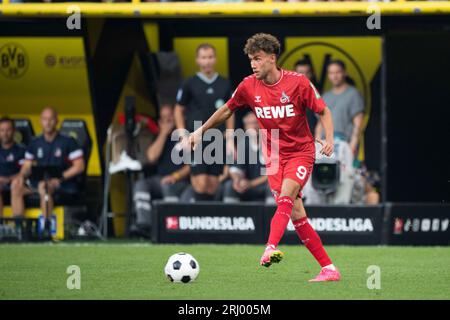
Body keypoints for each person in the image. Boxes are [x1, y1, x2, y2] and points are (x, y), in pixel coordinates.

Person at [182, 33, 340, 282]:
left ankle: (270, 247)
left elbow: (324, 110)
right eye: (250, 60)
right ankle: (329, 268)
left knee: (286, 198)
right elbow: (226, 110)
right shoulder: (248, 85)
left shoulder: (298, 83)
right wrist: (200, 131)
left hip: (301, 152)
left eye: (257, 59)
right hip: (274, 157)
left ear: (272, 58)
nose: (253, 64)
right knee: (297, 215)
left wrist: (329, 140)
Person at [174, 43, 235, 201]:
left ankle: (209, 219)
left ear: (215, 59)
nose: (207, 61)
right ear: (197, 60)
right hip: (197, 139)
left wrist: (230, 140)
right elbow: (178, 110)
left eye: (210, 57)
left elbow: (230, 111)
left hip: (217, 139)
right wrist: (182, 135)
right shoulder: (189, 83)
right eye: (203, 58)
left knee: (213, 184)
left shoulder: (224, 83)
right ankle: (193, 212)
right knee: (201, 183)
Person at [11, 107, 85, 235]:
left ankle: (46, 227)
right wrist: (21, 176)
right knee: (16, 186)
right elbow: (27, 166)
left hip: (63, 185)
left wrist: (60, 178)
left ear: (57, 121)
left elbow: (79, 166)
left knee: (44, 186)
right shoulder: (34, 142)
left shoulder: (68, 141)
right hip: (39, 182)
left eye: (51, 119)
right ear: (40, 121)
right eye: (45, 119)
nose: (48, 122)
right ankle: (19, 229)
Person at [132, 105, 190, 234]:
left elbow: (191, 167)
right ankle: (144, 224)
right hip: (159, 179)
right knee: (141, 185)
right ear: (160, 122)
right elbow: (151, 157)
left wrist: (175, 176)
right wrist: (163, 133)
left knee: (167, 186)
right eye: (164, 118)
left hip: (179, 180)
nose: (168, 120)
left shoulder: (184, 136)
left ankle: (168, 226)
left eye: (170, 116)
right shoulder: (159, 137)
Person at [315, 59, 364, 157]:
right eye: (331, 73)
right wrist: (317, 146)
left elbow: (358, 123)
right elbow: (320, 124)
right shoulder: (325, 96)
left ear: (344, 73)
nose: (334, 76)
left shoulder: (353, 94)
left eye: (337, 72)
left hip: (344, 144)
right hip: (325, 145)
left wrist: (352, 146)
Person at [223, 112, 272, 203]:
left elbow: (272, 174)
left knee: (273, 185)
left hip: (263, 186)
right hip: (246, 187)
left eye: (256, 123)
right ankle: (231, 216)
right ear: (245, 127)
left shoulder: (270, 143)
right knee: (230, 185)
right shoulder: (243, 143)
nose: (253, 127)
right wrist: (238, 180)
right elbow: (235, 169)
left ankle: (273, 216)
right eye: (249, 124)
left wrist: (251, 183)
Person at [0, 117, 25, 217]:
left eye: (8, 130)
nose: (5, 133)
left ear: (14, 131)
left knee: (16, 185)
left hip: (18, 184)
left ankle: (18, 227)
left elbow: (25, 172)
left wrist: (8, 179)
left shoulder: (21, 150)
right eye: (2, 130)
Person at [294, 59, 318, 134]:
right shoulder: (284, 94)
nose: (304, 76)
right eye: (301, 73)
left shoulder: (319, 95)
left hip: (312, 141)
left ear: (311, 74)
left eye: (307, 73)